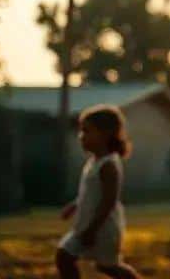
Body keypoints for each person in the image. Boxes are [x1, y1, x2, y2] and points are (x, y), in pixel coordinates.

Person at [56, 105, 141, 279]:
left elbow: (108, 201)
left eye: (87, 131)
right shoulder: (94, 161)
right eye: (81, 131)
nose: (81, 137)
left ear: (106, 134)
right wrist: (74, 205)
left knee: (108, 267)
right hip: (86, 225)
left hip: (103, 228)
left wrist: (92, 230)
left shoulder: (108, 165)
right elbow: (90, 193)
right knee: (64, 256)